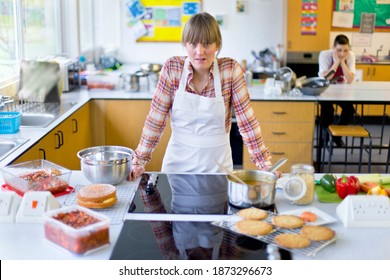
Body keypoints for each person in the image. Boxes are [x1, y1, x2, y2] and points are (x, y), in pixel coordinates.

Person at [128, 12, 273, 180]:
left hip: (218, 168)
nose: (199, 51)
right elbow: (155, 120)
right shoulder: (172, 68)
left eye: (207, 44)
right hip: (177, 166)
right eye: (193, 43)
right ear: (185, 44)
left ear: (217, 44)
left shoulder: (230, 70)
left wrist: (265, 164)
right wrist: (139, 161)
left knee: (217, 206)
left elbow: (247, 122)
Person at [318, 34, 356, 147]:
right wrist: (336, 62)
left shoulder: (350, 55)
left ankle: (336, 136)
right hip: (325, 89)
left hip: (341, 90)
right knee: (327, 111)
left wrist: (343, 62)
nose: (342, 53)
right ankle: (324, 137)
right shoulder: (325, 54)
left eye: (345, 50)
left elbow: (349, 79)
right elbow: (326, 77)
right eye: (339, 50)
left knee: (349, 111)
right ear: (333, 48)